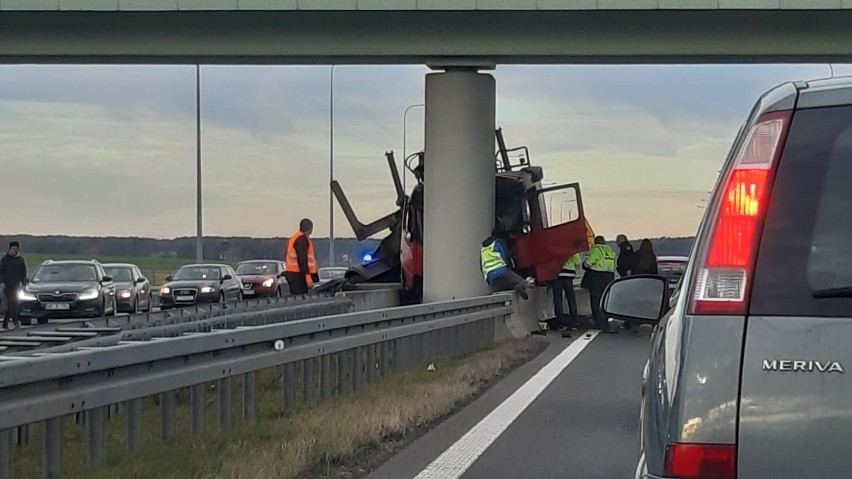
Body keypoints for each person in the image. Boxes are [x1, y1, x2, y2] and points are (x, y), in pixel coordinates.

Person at [481, 228, 530, 300]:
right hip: (502, 272)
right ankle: (518, 287)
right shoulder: (498, 242)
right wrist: (511, 269)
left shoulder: (483, 249)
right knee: (522, 282)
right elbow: (505, 257)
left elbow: (481, 266)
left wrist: (488, 280)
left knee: (499, 298)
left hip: (491, 278)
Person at [583, 236, 616, 333]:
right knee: (605, 299)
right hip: (609, 276)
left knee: (596, 299)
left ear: (595, 242)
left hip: (597, 276)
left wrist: (585, 264)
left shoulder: (596, 249)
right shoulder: (609, 250)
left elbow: (588, 263)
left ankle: (599, 322)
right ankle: (605, 320)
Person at [549, 252, 581, 338]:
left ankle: (560, 322)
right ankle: (574, 322)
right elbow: (578, 262)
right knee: (571, 299)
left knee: (558, 299)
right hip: (569, 275)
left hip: (558, 275)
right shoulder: (572, 250)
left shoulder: (556, 249)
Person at [284, 219, 319, 295]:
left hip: (294, 274)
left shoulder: (296, 237)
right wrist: (307, 276)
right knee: (300, 298)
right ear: (310, 228)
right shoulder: (301, 239)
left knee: (297, 297)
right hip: (298, 275)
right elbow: (302, 259)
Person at [0, 241, 26, 330]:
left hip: (16, 285)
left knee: (13, 304)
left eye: (16, 249)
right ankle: (15, 322)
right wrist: (1, 282)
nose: (14, 250)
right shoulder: (5, 259)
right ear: (10, 249)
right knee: (11, 303)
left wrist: (24, 283)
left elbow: (23, 272)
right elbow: (1, 272)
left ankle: (5, 323)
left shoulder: (20, 260)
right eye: (13, 249)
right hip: (7, 285)